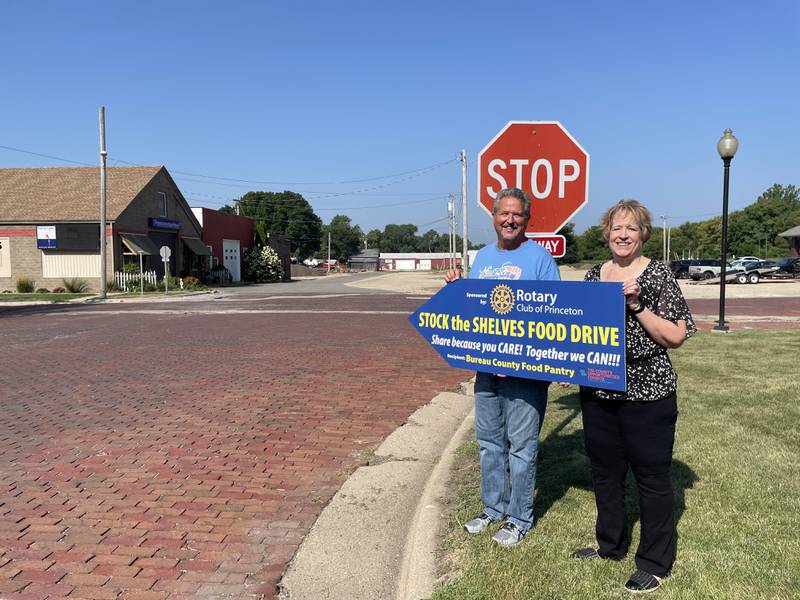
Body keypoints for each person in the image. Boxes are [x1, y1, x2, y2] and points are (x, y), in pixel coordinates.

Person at [573, 199, 696, 593]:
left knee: (652, 478)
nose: (622, 234)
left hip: (648, 391)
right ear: (606, 233)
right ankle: (610, 545)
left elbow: (676, 336)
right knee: (605, 473)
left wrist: (637, 304)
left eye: (631, 228)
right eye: (616, 228)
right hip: (598, 389)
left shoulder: (658, 275)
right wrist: (565, 365)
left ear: (643, 234)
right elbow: (579, 332)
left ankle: (655, 561)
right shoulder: (594, 276)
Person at [444, 187, 560, 547]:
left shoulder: (540, 259)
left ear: (527, 219)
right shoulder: (482, 259)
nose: (510, 220)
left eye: (517, 215)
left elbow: (554, 313)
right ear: (493, 217)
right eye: (503, 214)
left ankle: (519, 518)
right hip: (487, 372)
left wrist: (555, 364)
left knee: (521, 447)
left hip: (526, 374)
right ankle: (492, 509)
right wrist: (457, 290)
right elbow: (477, 309)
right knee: (489, 444)